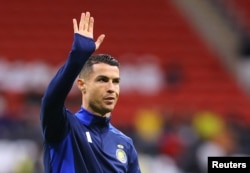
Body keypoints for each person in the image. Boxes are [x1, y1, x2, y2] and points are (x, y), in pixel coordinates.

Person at [40, 12, 141, 173]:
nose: (111, 88)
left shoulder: (125, 144)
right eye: (102, 80)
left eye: (116, 81)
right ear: (82, 85)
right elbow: (51, 101)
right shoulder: (64, 127)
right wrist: (77, 58)